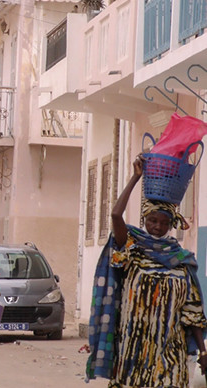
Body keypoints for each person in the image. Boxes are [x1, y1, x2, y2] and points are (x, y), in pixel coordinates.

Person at [87, 155, 207, 386]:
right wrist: (136, 177)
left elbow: (192, 311)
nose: (158, 227)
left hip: (171, 352)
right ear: (145, 219)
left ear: (171, 225)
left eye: (164, 223)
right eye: (153, 220)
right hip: (133, 350)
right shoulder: (132, 249)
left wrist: (203, 351)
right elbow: (115, 215)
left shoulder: (181, 260)